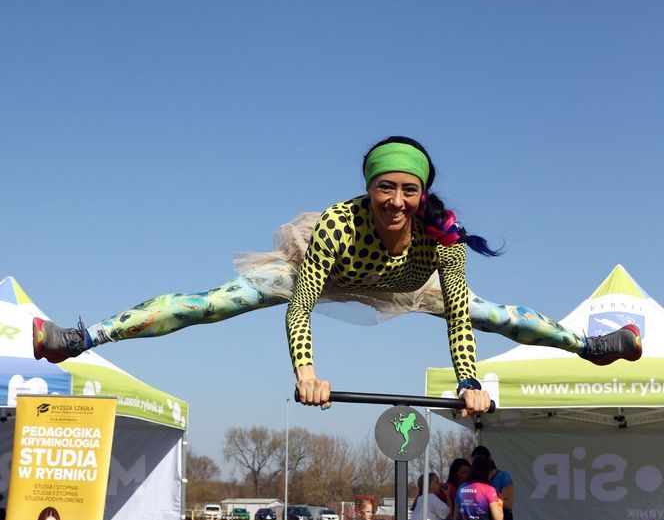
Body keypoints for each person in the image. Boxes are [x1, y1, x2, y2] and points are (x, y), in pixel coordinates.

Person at [33, 137, 641, 412]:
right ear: (368, 190)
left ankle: (590, 347)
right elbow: (301, 304)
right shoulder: (335, 226)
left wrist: (468, 383)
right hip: (322, 272)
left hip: (409, 279)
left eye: (408, 190)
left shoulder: (443, 240)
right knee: (213, 303)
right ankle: (83, 338)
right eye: (384, 189)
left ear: (421, 194)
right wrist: (307, 373)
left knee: (497, 313)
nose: (395, 201)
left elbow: (459, 316)